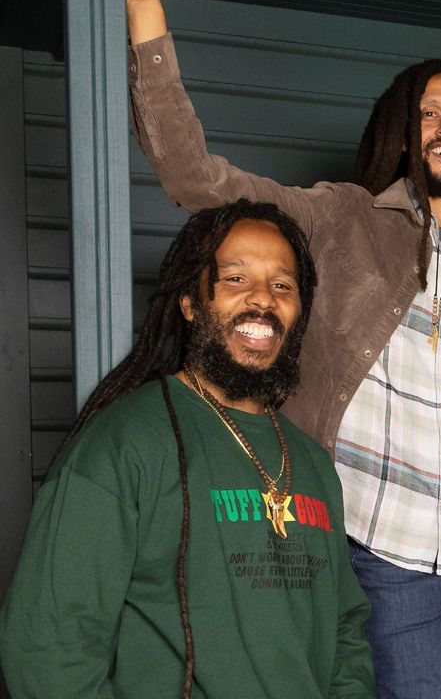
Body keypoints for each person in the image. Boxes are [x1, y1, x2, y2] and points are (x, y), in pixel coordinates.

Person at [123, 0, 441, 697]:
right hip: (379, 544)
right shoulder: (343, 220)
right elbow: (197, 178)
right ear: (403, 129)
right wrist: (145, 11)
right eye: (430, 113)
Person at [0, 200, 374, 697]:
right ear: (191, 304)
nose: (263, 300)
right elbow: (48, 648)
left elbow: (345, 631)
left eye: (282, 285)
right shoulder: (124, 443)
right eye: (236, 279)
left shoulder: (312, 462)